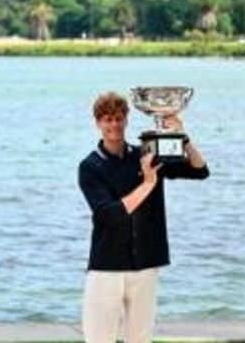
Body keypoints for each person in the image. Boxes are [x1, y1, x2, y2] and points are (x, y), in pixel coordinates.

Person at [77, 90, 209, 343]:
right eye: (108, 119)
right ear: (98, 123)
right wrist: (148, 183)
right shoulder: (90, 166)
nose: (114, 125)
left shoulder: (146, 155)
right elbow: (109, 215)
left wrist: (183, 138)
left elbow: (200, 170)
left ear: (126, 120)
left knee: (140, 339)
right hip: (107, 267)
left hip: (146, 264)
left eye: (119, 118)